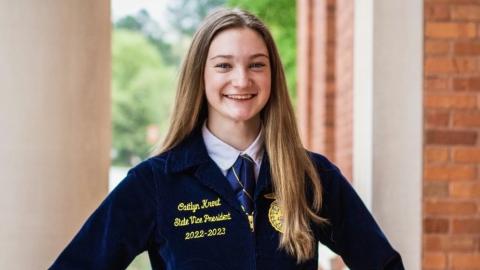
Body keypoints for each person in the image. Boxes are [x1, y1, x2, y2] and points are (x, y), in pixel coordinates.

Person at [50, 8, 404, 270]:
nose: (241, 80)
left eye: (256, 65)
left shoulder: (312, 175)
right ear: (199, 76)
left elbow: (383, 264)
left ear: (272, 76)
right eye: (223, 65)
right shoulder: (156, 183)